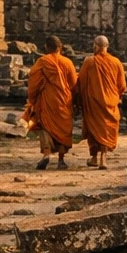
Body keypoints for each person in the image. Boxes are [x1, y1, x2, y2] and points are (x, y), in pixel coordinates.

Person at [24, 35, 77, 170]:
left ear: (47, 48)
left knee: (45, 126)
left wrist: (32, 98)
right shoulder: (67, 62)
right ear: (60, 48)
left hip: (47, 99)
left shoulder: (42, 62)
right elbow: (73, 83)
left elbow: (33, 83)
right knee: (63, 128)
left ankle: (46, 154)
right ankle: (61, 159)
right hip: (63, 100)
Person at [75, 35, 126, 169]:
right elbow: (122, 86)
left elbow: (80, 82)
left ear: (96, 46)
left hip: (93, 102)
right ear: (107, 47)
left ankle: (94, 157)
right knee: (106, 129)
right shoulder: (116, 62)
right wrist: (115, 96)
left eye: (94, 45)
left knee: (94, 129)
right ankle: (103, 157)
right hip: (110, 102)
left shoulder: (89, 62)